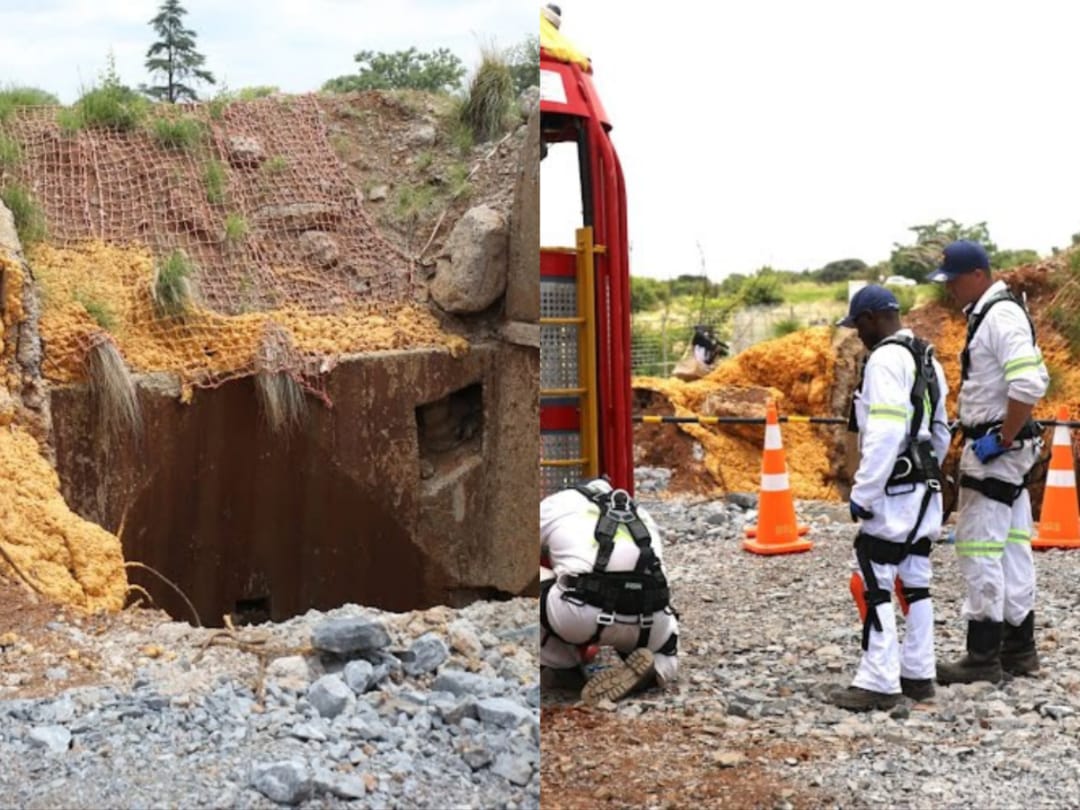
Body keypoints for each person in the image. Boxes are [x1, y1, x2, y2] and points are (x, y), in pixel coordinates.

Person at [927, 240, 1048, 684]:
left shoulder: (998, 316)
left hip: (996, 451)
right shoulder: (998, 312)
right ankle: (1019, 649)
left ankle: (982, 657)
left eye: (954, 281)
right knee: (1013, 546)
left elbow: (1029, 383)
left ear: (978, 275)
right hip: (1008, 450)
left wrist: (1003, 436)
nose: (951, 290)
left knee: (977, 546)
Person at [831, 285, 950, 711]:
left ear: (870, 318)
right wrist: (928, 473)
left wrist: (865, 492)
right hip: (924, 488)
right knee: (916, 580)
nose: (857, 336)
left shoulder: (883, 360)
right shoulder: (927, 358)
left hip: (894, 488)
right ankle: (919, 675)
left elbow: (882, 434)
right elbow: (941, 430)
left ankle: (879, 682)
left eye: (857, 326)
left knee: (874, 576)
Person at [539, 477, 679, 703]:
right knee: (667, 636)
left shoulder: (558, 504)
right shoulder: (641, 513)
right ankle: (658, 670)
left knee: (547, 580)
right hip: (648, 623)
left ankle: (561, 665)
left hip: (579, 618)